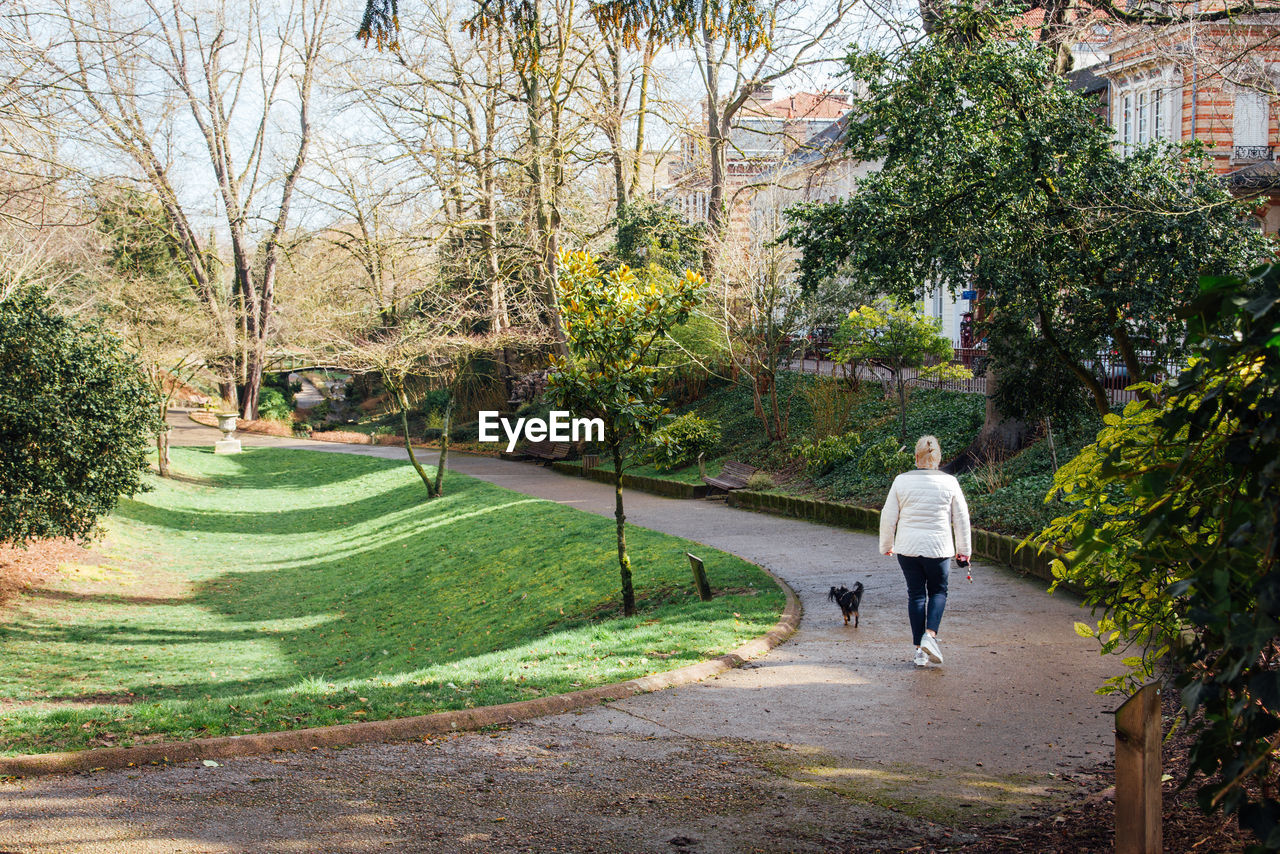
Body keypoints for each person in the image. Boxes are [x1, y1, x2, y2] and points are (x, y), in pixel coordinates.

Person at [879, 435, 972, 667]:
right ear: (938, 458)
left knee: (916, 595)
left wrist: (887, 545)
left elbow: (888, 516)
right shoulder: (950, 482)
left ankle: (920, 651)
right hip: (939, 548)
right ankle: (930, 636)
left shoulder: (901, 481)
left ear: (916, 457)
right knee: (939, 592)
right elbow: (961, 518)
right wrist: (964, 551)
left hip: (907, 549)